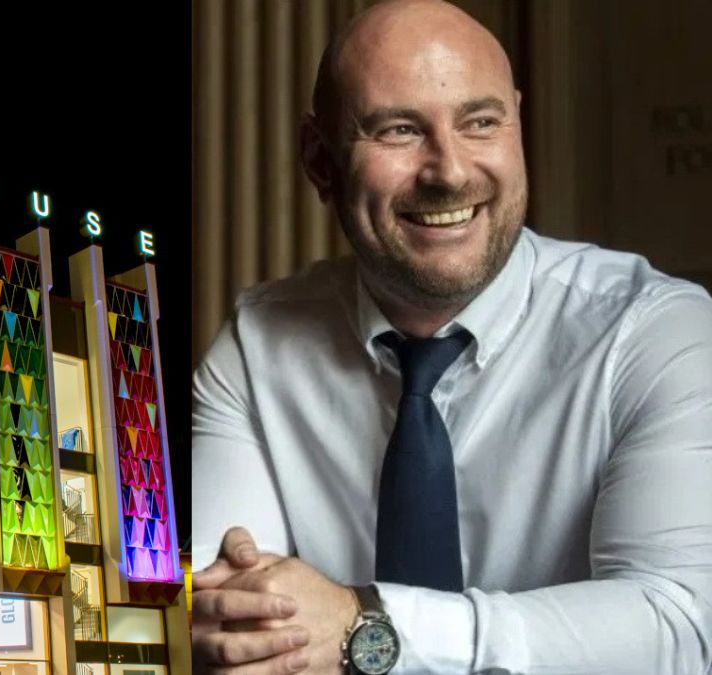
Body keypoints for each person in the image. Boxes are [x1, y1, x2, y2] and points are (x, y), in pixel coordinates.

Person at [190, 1, 712, 673]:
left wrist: (367, 624)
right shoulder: (256, 348)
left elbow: (679, 626)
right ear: (320, 160)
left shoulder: (655, 333)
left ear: (518, 125)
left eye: (481, 122)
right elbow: (225, 618)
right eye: (400, 130)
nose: (450, 171)